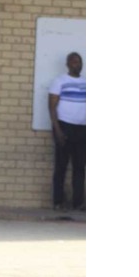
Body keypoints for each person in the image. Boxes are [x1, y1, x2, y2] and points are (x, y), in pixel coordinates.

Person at [48, 52, 86, 211]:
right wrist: (57, 130)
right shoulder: (59, 81)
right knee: (61, 166)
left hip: (82, 129)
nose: (77, 64)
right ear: (68, 64)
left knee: (80, 167)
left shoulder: (86, 82)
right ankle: (58, 202)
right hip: (64, 127)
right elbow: (51, 107)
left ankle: (78, 202)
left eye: (79, 62)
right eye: (74, 62)